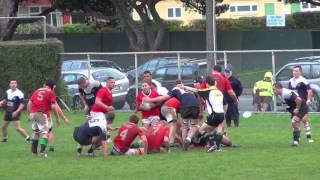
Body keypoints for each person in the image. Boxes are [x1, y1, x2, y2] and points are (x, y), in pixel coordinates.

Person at [144, 80, 201, 151]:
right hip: (168, 108)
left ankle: (181, 142)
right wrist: (150, 100)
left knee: (180, 126)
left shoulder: (183, 94)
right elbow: (164, 97)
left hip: (169, 109)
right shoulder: (186, 92)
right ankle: (171, 144)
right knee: (174, 125)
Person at [188, 76, 225, 152]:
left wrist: (184, 87)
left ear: (207, 84)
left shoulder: (208, 91)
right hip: (221, 114)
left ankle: (212, 144)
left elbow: (196, 90)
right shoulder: (219, 92)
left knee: (201, 130)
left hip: (214, 115)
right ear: (215, 83)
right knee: (219, 129)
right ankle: (217, 147)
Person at [28, 80, 60, 158]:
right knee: (45, 133)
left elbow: (29, 103)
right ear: (53, 86)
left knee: (36, 133)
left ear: (45, 85)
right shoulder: (51, 92)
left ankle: (34, 152)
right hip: (41, 114)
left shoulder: (37, 90)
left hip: (32, 114)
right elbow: (53, 106)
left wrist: (29, 113)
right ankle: (42, 152)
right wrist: (57, 118)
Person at [273, 82, 312, 146]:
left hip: (301, 106)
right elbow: (289, 103)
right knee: (294, 124)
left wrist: (297, 109)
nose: (273, 91)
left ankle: (299, 136)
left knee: (294, 122)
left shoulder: (286, 93)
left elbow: (298, 100)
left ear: (279, 88)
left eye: (274, 89)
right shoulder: (280, 95)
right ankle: (296, 142)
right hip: (295, 107)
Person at [288, 65, 313, 143]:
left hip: (303, 104)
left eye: (296, 71)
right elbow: (290, 92)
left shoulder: (303, 81)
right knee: (295, 122)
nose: (294, 72)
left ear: (300, 72)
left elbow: (309, 91)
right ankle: (297, 138)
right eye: (293, 71)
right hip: (295, 105)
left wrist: (308, 100)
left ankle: (309, 138)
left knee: (304, 120)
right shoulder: (290, 81)